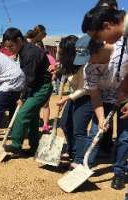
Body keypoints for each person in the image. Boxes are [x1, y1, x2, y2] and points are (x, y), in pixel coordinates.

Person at [82, 6, 128, 189]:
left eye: (97, 37)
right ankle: (86, 164)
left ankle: (119, 172)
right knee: (96, 131)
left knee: (124, 136)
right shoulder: (90, 68)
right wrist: (101, 118)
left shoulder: (121, 47)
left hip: (123, 96)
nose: (90, 62)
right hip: (110, 97)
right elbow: (94, 94)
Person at [2, 28, 53, 155]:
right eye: (7, 47)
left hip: (41, 88)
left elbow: (28, 79)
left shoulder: (30, 53)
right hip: (35, 86)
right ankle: (34, 147)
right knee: (32, 118)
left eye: (11, 46)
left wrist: (23, 97)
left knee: (22, 115)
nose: (9, 49)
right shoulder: (24, 51)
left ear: (19, 40)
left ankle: (15, 144)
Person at [57, 35, 93, 168]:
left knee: (79, 129)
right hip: (73, 96)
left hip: (87, 98)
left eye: (62, 51)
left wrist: (67, 98)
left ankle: (79, 159)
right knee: (65, 123)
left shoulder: (85, 64)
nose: (60, 53)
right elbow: (64, 78)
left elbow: (85, 88)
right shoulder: (68, 63)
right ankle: (71, 150)